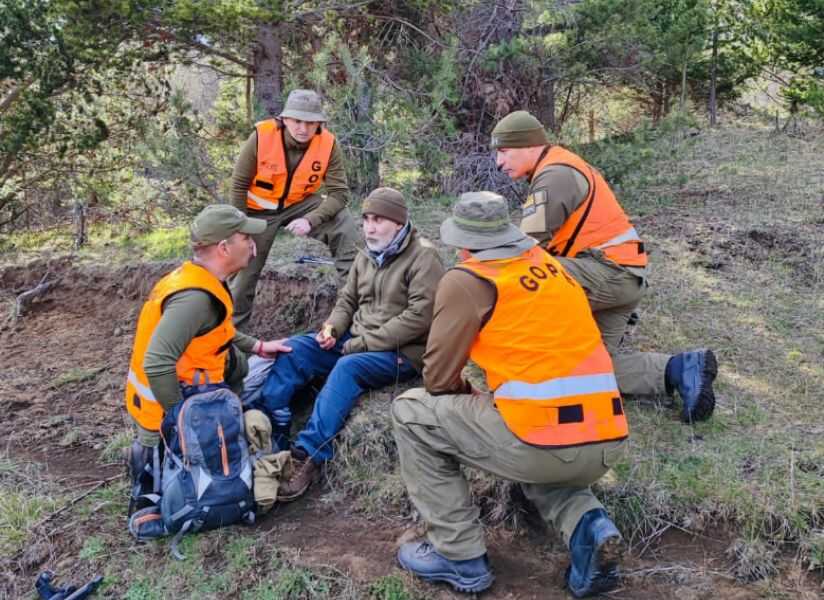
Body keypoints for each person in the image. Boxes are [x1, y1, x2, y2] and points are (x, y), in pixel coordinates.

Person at [393, 192, 628, 597]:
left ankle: (458, 555)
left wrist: (467, 396)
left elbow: (437, 378)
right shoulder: (550, 267)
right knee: (541, 450)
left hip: (542, 439)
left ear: (464, 242)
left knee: (410, 413)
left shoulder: (468, 279)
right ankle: (590, 526)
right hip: (606, 440)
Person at [491, 110, 717, 422]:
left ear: (529, 145)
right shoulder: (561, 166)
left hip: (609, 274)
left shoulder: (554, 175)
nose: (499, 163)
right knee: (594, 367)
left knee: (520, 278)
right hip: (622, 276)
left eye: (504, 151)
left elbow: (524, 244)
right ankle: (682, 368)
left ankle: (515, 374)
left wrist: (478, 270)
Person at [253, 187, 445, 501]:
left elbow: (419, 318)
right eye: (366, 218)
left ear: (398, 223)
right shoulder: (365, 254)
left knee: (347, 367)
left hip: (403, 351)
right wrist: (331, 328)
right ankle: (272, 430)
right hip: (355, 338)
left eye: (378, 220)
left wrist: (363, 343)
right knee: (296, 349)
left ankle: (307, 456)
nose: (369, 227)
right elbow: (347, 300)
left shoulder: (424, 256)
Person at [123, 204, 291, 514]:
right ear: (224, 248)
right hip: (170, 413)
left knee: (265, 365)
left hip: (184, 397)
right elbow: (158, 362)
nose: (252, 244)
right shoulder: (195, 298)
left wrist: (258, 346)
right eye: (245, 238)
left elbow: (216, 332)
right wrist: (178, 420)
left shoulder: (199, 279)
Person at [229, 88, 359, 329]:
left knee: (343, 222)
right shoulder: (261, 136)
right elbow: (238, 186)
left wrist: (311, 219)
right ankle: (232, 338)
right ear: (285, 119)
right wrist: (241, 229)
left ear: (319, 123)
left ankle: (353, 309)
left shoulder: (329, 144)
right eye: (297, 120)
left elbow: (339, 194)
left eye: (310, 122)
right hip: (257, 210)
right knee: (243, 272)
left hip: (299, 204)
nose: (303, 128)